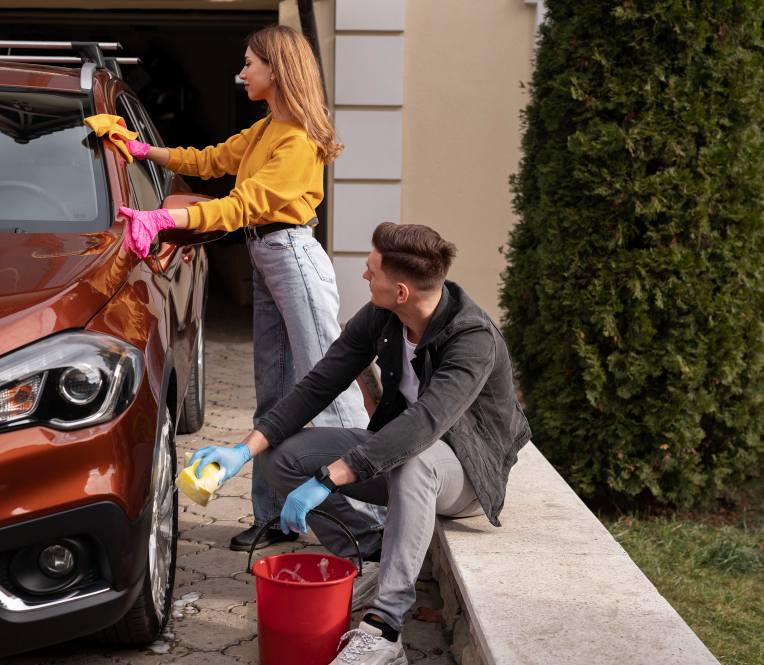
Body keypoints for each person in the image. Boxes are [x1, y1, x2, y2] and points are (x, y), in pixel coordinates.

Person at [190, 222, 532, 665]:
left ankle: (383, 629)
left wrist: (328, 478)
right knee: (281, 456)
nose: (365, 275)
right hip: (401, 455)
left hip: (464, 473)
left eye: (373, 270)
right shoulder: (383, 316)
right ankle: (372, 555)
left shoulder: (472, 338)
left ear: (402, 292)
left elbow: (423, 425)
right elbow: (319, 384)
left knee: (415, 460)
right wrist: (242, 450)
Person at [114, 25, 376, 551]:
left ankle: (374, 518)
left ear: (276, 69)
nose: (242, 72)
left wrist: (165, 220)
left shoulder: (297, 141)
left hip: (293, 258)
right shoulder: (265, 130)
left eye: (250, 63)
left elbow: (242, 205)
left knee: (332, 391)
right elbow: (209, 160)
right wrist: (143, 150)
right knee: (273, 393)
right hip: (267, 257)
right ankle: (274, 517)